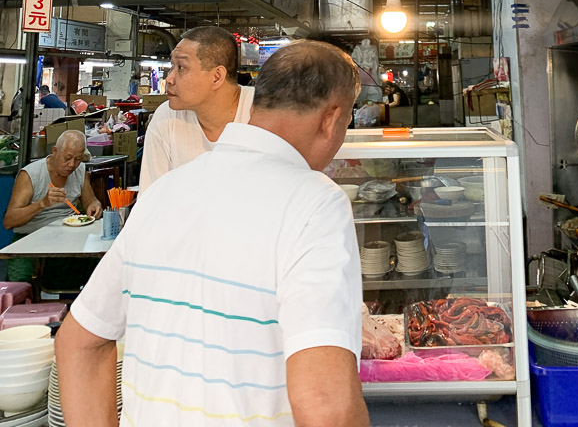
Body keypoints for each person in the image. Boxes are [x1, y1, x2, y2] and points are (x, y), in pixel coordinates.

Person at [56, 40, 369, 427]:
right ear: (331, 119)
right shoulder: (316, 202)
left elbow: (78, 341)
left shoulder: (163, 193)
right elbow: (325, 404)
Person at [139, 25, 254, 192]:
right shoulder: (166, 117)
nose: (169, 78)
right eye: (172, 66)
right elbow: (151, 198)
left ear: (216, 77)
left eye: (181, 67)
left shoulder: (262, 111)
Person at [3, 130, 102, 236]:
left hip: (69, 234)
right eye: (67, 158)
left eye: (78, 159)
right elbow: (9, 221)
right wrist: (42, 203)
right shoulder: (31, 175)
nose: (72, 165)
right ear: (55, 151)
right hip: (33, 236)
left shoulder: (80, 170)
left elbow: (91, 201)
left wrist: (95, 206)